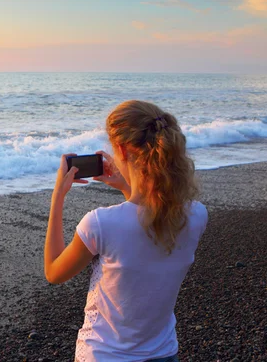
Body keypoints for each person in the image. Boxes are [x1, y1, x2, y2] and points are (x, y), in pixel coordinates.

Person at [44, 100, 208, 361]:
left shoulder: (101, 223)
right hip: (163, 353)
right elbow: (149, 219)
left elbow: (54, 272)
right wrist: (126, 186)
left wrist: (57, 197)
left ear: (120, 148)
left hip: (105, 355)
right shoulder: (196, 214)